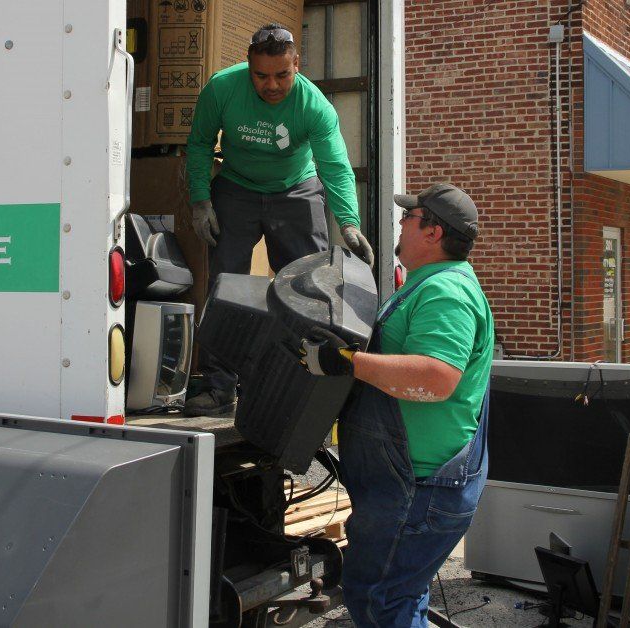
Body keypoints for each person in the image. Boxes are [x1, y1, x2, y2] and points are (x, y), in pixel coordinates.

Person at [299, 183, 494, 627]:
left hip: (418, 489)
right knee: (397, 596)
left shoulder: (446, 292)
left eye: (410, 217)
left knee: (381, 600)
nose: (401, 224)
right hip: (411, 484)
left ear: (433, 232)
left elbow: (437, 377)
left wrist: (347, 362)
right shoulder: (428, 284)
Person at [184, 23, 373, 417]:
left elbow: (335, 167)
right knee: (227, 285)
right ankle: (219, 387)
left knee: (311, 289)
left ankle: (304, 389)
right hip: (236, 187)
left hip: (295, 190)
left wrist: (349, 223)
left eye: (282, 75)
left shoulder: (314, 106)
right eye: (261, 76)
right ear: (248, 65)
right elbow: (200, 143)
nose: (271, 85)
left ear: (297, 65)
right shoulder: (221, 88)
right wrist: (201, 201)